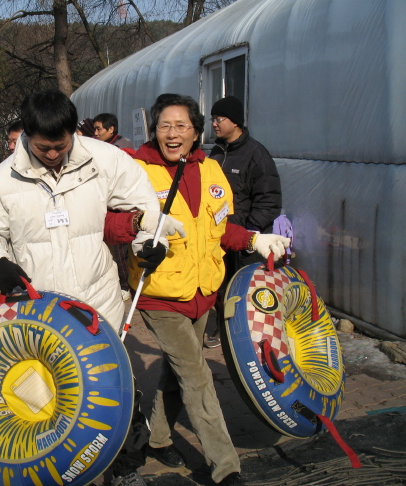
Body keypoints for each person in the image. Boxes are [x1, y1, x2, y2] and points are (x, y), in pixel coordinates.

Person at [0, 89, 176, 486]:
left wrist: (147, 242)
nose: (55, 154)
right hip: (39, 315)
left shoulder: (104, 160)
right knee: (46, 400)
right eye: (45, 148)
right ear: (26, 135)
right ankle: (55, 472)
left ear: (73, 133)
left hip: (98, 306)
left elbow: (142, 207)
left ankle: (125, 470)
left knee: (115, 392)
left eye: (62, 145)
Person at [105, 94, 289, 486]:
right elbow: (107, 222)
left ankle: (155, 439)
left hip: (203, 291)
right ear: (154, 130)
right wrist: (137, 226)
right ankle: (225, 467)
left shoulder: (211, 171)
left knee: (177, 371)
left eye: (181, 126)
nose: (172, 134)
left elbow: (221, 227)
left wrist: (255, 240)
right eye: (165, 126)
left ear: (196, 132)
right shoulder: (134, 169)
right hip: (159, 292)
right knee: (197, 374)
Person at [207, 95, 282, 348]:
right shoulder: (215, 152)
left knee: (247, 289)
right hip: (221, 234)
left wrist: (250, 233)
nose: (214, 124)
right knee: (221, 285)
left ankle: (253, 337)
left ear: (235, 122)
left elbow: (269, 200)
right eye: (212, 119)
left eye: (220, 119)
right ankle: (222, 328)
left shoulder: (256, 155)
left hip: (247, 238)